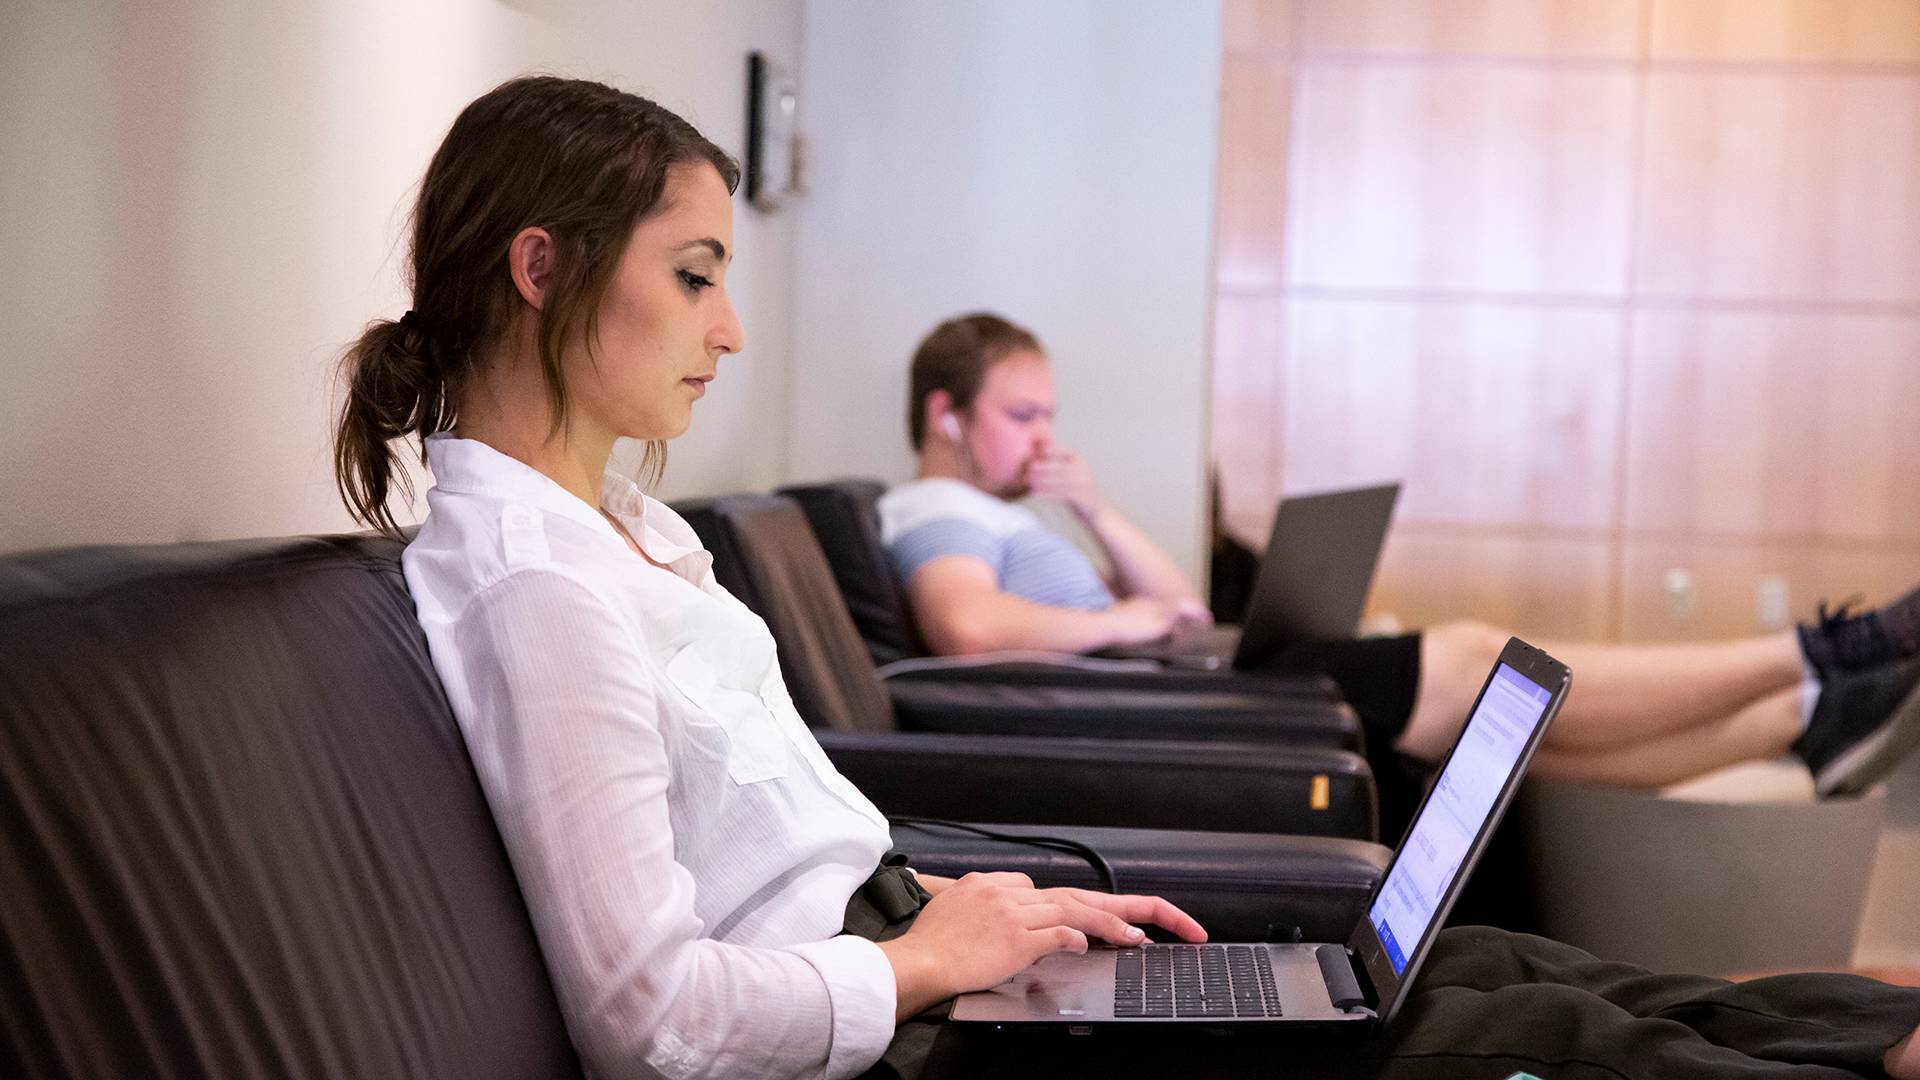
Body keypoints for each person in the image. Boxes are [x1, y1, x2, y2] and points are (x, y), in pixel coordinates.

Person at [333, 77, 1920, 1079]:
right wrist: (920, 958)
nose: (728, 329)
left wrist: (988, 908)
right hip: (906, 1032)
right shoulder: (535, 582)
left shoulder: (626, 530)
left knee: (1504, 965)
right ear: (540, 267)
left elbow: (785, 845)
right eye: (693, 278)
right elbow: (651, 1021)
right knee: (1538, 1031)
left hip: (916, 953)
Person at [883, 312, 1920, 800]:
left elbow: (1183, 608)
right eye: (1019, 414)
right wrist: (1123, 621)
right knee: (1475, 659)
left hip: (1198, 693)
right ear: (946, 414)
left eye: (1049, 415)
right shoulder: (930, 505)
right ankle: (1824, 652)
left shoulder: (1014, 511)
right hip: (1192, 723)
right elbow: (965, 625)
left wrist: (1097, 512)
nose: (1040, 436)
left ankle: (1805, 717)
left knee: (1516, 741)